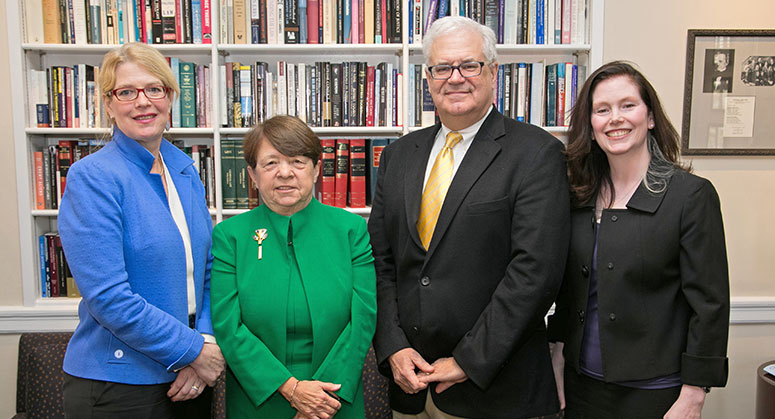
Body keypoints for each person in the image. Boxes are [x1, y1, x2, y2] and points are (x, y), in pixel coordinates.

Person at [368, 16, 570, 419]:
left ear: (493, 72)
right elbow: (381, 262)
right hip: (411, 386)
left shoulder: (535, 153)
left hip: (493, 390)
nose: (455, 78)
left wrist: (469, 360)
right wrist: (393, 345)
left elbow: (535, 272)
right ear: (427, 79)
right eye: (442, 68)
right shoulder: (397, 157)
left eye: (469, 65)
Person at [548, 61, 730, 419]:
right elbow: (569, 291)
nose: (615, 118)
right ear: (592, 125)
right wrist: (556, 355)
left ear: (649, 117)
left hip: (657, 393)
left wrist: (693, 394)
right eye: (602, 110)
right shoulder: (577, 197)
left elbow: (709, 304)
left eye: (627, 105)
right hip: (581, 386)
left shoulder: (690, 196)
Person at [58, 42, 225, 419]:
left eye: (154, 89)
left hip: (190, 378)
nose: (143, 102)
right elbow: (109, 298)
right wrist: (193, 351)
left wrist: (206, 342)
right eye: (127, 92)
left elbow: (208, 271)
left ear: (170, 97)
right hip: (119, 385)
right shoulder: (93, 178)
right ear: (108, 103)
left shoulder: (184, 171)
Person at [209, 115, 377, 418]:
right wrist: (292, 389)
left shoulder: (351, 229)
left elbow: (363, 318)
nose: (284, 173)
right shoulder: (228, 236)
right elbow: (227, 325)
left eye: (298, 162)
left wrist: (320, 399)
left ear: (315, 170)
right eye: (270, 163)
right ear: (252, 174)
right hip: (259, 394)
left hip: (335, 396)